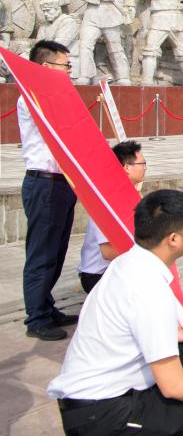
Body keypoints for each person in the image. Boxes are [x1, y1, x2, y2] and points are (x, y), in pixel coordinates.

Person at [47, 189, 183, 435]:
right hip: (101, 413)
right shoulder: (148, 289)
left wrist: (171, 333)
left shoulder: (130, 262)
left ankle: (158, 413)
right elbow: (173, 385)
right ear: (174, 239)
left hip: (99, 396)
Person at [20, 40, 79, 341]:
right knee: (42, 253)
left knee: (56, 251)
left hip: (62, 183)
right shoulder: (32, 96)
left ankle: (46, 304)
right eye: (65, 65)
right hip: (44, 182)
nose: (69, 71)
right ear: (46, 67)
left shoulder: (54, 94)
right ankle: (36, 318)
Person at [78, 140, 147, 293]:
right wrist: (150, 253)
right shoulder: (106, 201)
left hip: (118, 267)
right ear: (127, 168)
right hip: (98, 275)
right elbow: (108, 252)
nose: (145, 167)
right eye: (143, 163)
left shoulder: (132, 196)